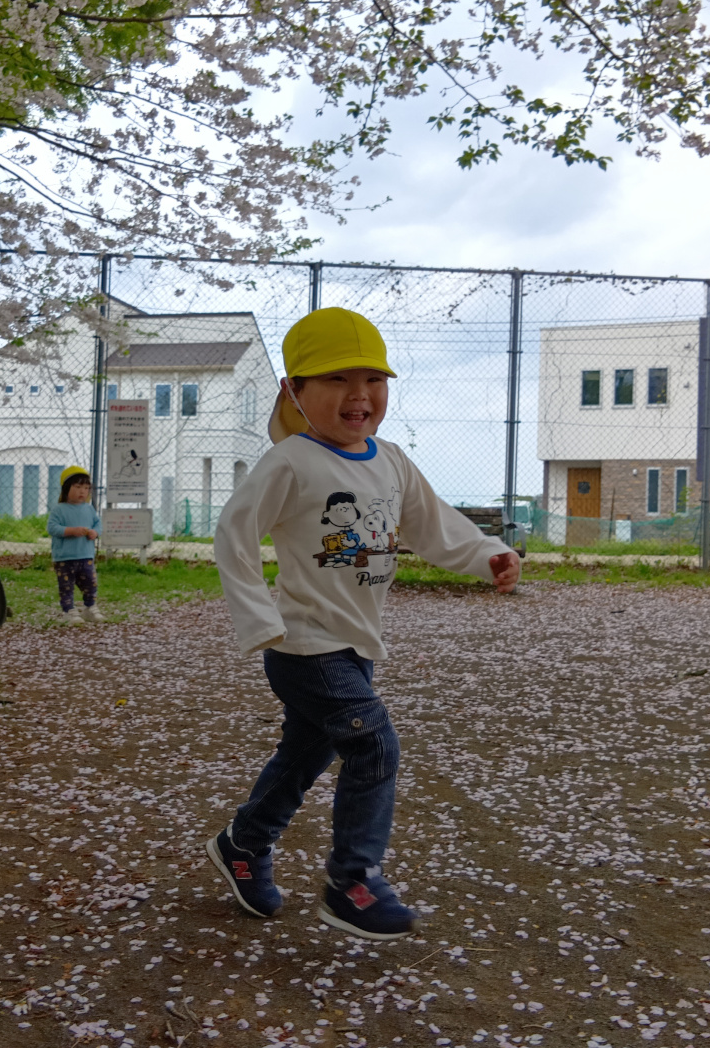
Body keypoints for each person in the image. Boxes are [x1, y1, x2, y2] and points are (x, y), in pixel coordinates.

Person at [208, 307, 522, 941]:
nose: (359, 395)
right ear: (295, 389)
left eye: (374, 379)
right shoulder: (291, 462)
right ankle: (352, 882)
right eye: (336, 380)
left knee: (304, 757)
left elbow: (433, 526)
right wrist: (259, 620)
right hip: (302, 644)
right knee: (373, 743)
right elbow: (233, 536)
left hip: (355, 646)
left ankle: (243, 843)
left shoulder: (392, 461)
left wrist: (486, 552)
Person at [47, 465, 104, 623]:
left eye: (86, 488)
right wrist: (71, 530)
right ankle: (69, 611)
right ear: (66, 488)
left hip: (86, 555)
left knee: (90, 583)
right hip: (64, 558)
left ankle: (90, 607)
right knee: (66, 586)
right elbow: (52, 528)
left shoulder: (89, 509)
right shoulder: (59, 509)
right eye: (78, 487)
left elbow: (98, 524)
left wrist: (95, 532)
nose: (82, 492)